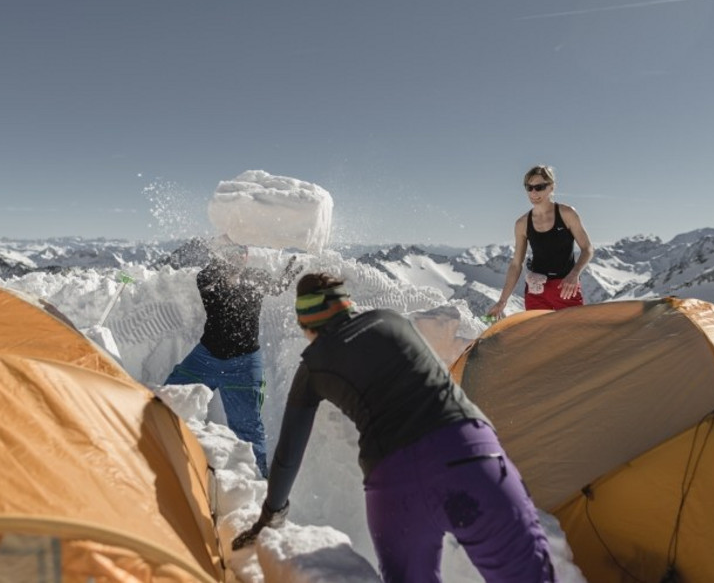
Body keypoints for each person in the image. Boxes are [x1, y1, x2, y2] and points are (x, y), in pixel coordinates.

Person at [232, 272, 556, 583]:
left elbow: (289, 453)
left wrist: (271, 514)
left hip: (394, 482)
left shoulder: (314, 365)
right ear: (348, 305)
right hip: (469, 456)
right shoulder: (391, 320)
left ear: (309, 325)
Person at [164, 236, 301, 477]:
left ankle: (258, 483)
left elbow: (276, 288)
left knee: (248, 429)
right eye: (230, 251)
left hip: (245, 364)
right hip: (204, 358)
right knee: (166, 401)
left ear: (247, 255)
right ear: (221, 255)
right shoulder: (207, 277)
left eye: (241, 252)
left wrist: (286, 278)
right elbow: (217, 281)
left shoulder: (255, 277)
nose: (237, 257)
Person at [487, 164, 593, 316]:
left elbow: (587, 249)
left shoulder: (566, 213)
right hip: (536, 291)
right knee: (539, 338)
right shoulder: (522, 223)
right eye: (529, 188)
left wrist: (574, 274)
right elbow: (516, 264)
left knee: (573, 337)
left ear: (551, 187)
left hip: (566, 288)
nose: (533, 192)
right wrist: (502, 301)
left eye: (539, 187)